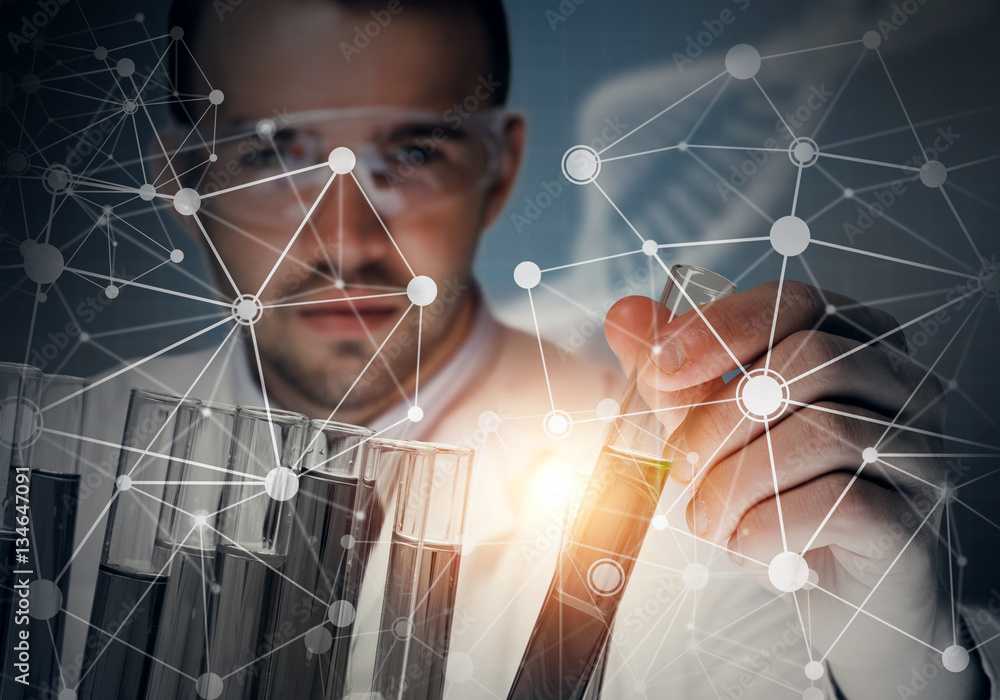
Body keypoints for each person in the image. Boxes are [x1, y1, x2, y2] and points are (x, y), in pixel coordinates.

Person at [61, 0, 996, 697]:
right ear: (181, 178)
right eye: (275, 157)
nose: (342, 237)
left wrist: (904, 660)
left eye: (412, 154)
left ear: (500, 169)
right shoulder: (54, 462)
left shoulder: (693, 495)